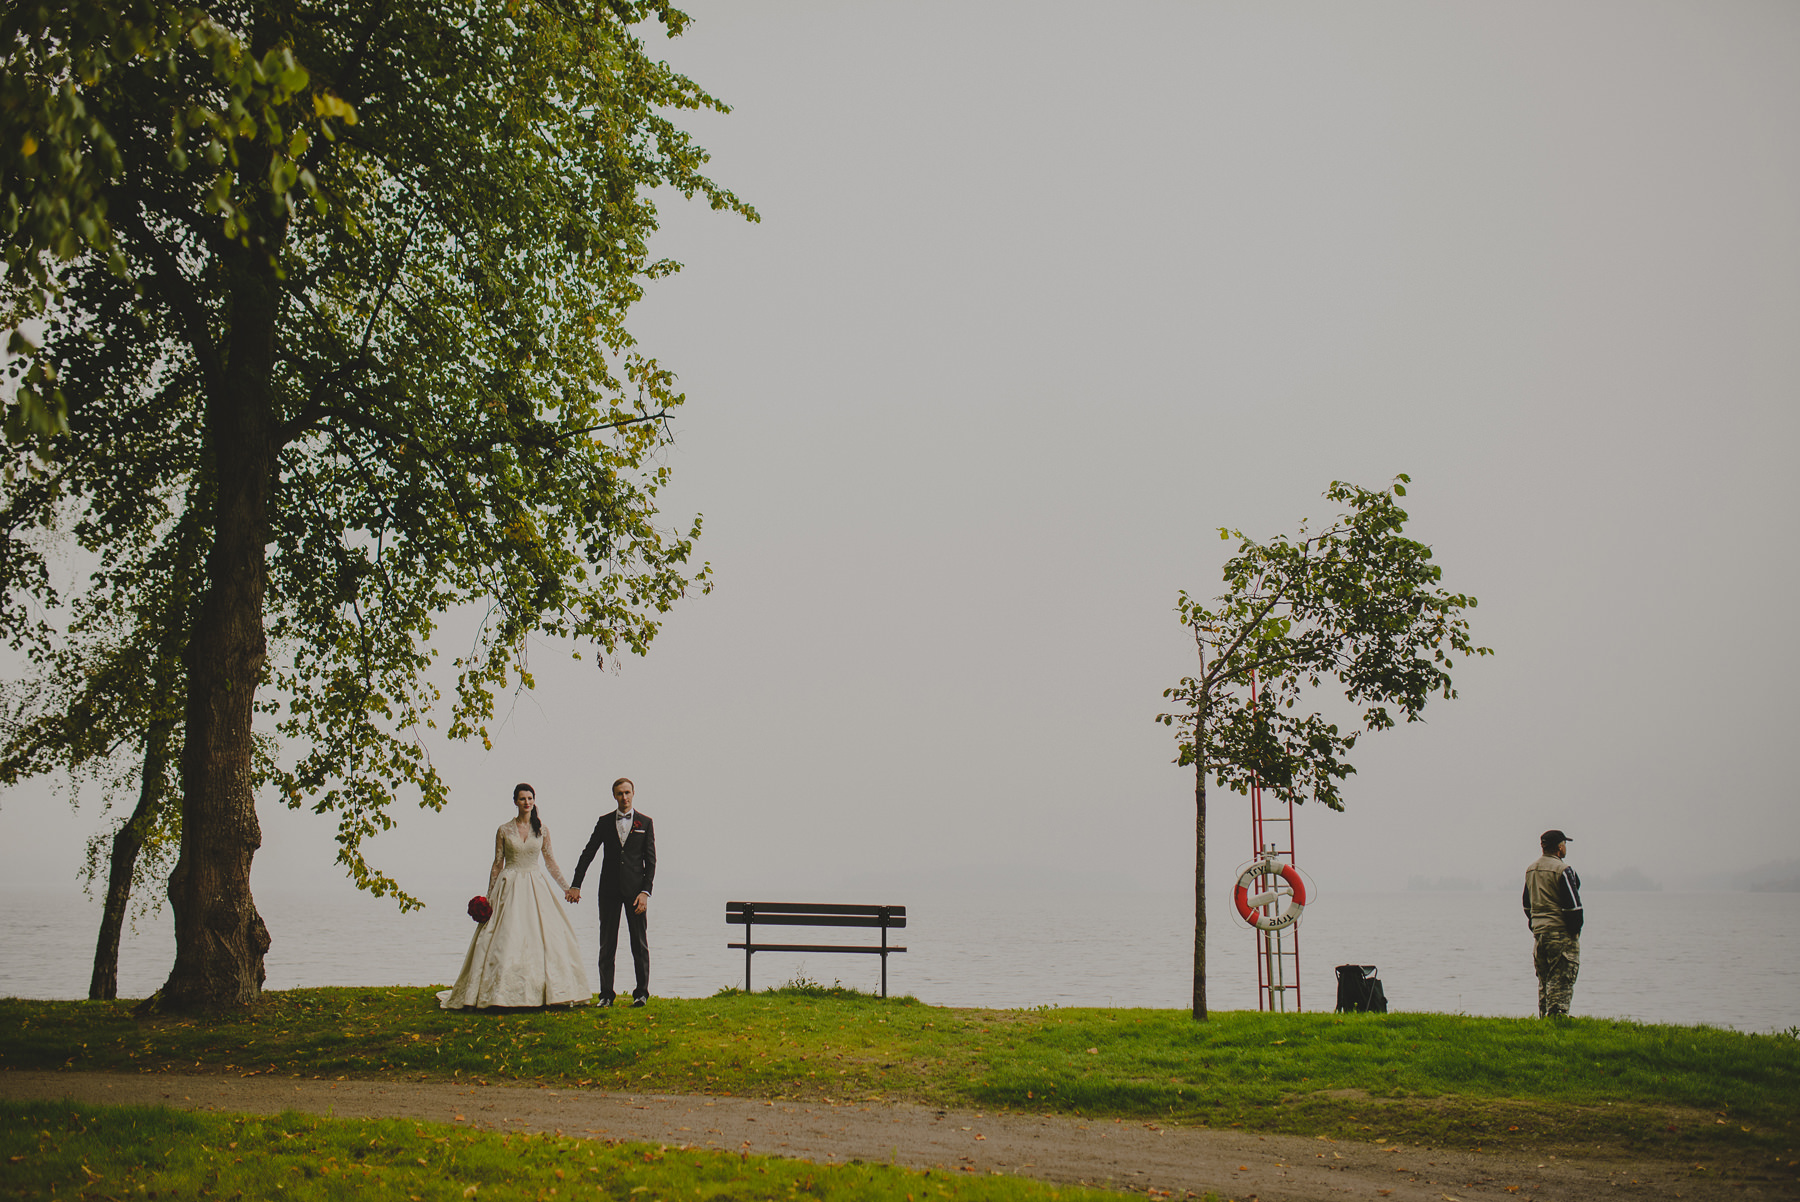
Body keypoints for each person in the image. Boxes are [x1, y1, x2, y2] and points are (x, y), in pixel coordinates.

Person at [438, 783, 592, 1010]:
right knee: (505, 937)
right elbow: (497, 863)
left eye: (530, 798)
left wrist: (566, 888)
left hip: (535, 884)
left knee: (544, 936)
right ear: (515, 802)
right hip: (508, 885)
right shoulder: (503, 830)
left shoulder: (542, 830)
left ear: (534, 800)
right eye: (522, 799)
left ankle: (549, 992)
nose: (527, 802)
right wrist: (489, 897)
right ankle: (496, 994)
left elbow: (550, 862)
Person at [566, 777, 656, 1007]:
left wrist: (645, 892)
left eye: (627, 792)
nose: (624, 797)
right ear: (614, 796)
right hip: (608, 891)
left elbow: (651, 861)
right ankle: (606, 994)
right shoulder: (604, 822)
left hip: (635, 892)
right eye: (619, 793)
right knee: (607, 943)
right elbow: (588, 853)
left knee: (639, 943)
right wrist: (576, 884)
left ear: (633, 793)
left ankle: (641, 993)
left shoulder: (645, 822)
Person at [1522, 828, 1583, 1017]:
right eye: (1564, 844)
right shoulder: (1563, 870)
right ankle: (1558, 1017)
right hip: (1560, 932)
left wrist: (1534, 924)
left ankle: (1544, 1017)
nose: (1565, 848)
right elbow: (1573, 906)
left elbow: (1526, 904)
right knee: (1562, 976)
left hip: (1540, 933)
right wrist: (1574, 930)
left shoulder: (1531, 869)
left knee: (1545, 979)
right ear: (1559, 847)